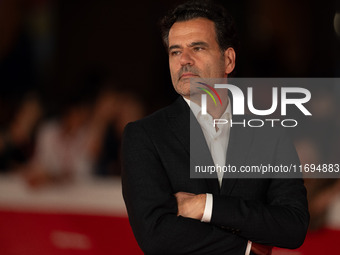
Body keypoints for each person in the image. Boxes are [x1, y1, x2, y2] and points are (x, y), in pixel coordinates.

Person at [121, 1, 309, 254]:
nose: (184, 60)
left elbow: (293, 226)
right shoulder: (144, 135)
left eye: (197, 48)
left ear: (228, 60)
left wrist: (205, 205)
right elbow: (155, 235)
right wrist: (247, 248)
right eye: (175, 51)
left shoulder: (270, 133)